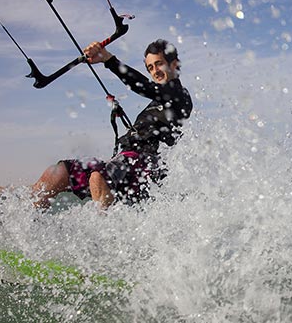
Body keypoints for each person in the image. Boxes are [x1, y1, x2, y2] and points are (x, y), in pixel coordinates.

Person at [31, 39, 193, 210]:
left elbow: (145, 86)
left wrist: (109, 60)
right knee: (57, 172)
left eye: (159, 64)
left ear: (174, 65)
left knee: (97, 177)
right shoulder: (157, 101)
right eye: (150, 68)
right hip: (123, 163)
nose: (155, 72)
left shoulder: (180, 96)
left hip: (143, 168)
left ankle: (102, 233)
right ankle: (27, 222)